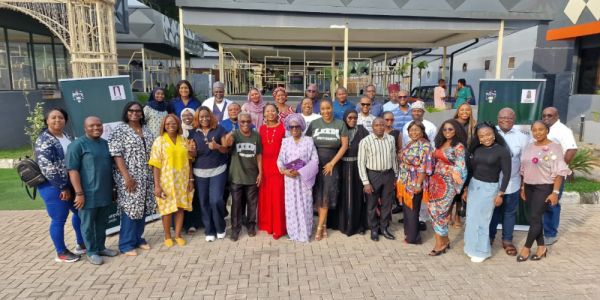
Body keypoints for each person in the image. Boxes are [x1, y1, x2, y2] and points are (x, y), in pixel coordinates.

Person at [35, 107, 85, 263]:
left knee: (79, 214)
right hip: (53, 186)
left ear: (65, 120)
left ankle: (82, 244)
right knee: (59, 218)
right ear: (47, 120)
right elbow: (46, 167)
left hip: (70, 184)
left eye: (61, 118)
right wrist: (62, 187)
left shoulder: (68, 136)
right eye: (53, 118)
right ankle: (61, 252)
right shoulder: (44, 139)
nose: (57, 120)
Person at [67, 116, 118, 265]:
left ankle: (101, 247)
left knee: (102, 223)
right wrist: (79, 193)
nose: (96, 128)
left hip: (105, 192)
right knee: (88, 225)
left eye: (99, 125)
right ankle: (91, 251)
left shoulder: (105, 144)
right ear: (85, 128)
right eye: (92, 126)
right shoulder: (78, 145)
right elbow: (73, 170)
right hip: (87, 194)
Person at [517, 121, 571, 262]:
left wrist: (555, 192)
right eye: (534, 130)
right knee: (534, 218)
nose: (537, 132)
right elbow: (524, 168)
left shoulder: (555, 147)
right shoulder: (529, 147)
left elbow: (560, 171)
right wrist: (523, 186)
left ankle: (526, 247)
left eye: (541, 129)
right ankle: (542, 247)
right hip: (529, 187)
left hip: (544, 187)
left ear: (547, 130)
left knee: (535, 218)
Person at [108, 102, 155, 256]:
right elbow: (116, 155)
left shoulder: (146, 130)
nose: (134, 113)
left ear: (141, 113)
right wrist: (127, 177)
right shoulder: (120, 130)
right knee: (130, 209)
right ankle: (126, 244)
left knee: (142, 208)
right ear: (126, 112)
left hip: (146, 176)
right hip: (129, 177)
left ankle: (137, 238)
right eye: (131, 111)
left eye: (137, 111)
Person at [463, 123, 511, 263]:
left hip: (489, 189)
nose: (486, 138)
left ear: (494, 133)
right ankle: (471, 248)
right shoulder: (476, 149)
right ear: (478, 138)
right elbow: (471, 171)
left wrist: (500, 194)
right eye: (482, 136)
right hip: (473, 186)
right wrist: (466, 188)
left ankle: (482, 251)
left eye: (488, 134)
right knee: (471, 219)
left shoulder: (502, 151)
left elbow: (507, 174)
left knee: (483, 221)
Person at [305, 99, 349, 240]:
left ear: (332, 108)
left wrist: (332, 163)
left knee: (326, 195)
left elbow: (344, 146)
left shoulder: (340, 124)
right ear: (320, 110)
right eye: (323, 109)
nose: (326, 111)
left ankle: (319, 227)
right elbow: (306, 143)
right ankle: (323, 225)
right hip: (315, 164)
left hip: (331, 165)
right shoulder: (314, 124)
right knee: (317, 195)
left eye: (328, 108)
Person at [148, 114, 194, 247]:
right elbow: (155, 164)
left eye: (173, 123)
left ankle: (178, 235)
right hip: (166, 180)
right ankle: (167, 236)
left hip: (182, 179)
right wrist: (157, 185)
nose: (171, 126)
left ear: (178, 125)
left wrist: (191, 179)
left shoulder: (184, 140)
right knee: (167, 209)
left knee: (180, 207)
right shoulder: (159, 141)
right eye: (168, 124)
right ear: (164, 126)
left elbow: (189, 161)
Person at [489, 108, 529, 256]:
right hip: (492, 183)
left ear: (514, 119)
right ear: (497, 118)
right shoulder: (491, 133)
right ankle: (489, 237)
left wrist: (524, 184)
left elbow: (525, 162)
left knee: (509, 213)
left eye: (509, 118)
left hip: (513, 183)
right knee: (492, 212)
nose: (505, 120)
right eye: (502, 117)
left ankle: (507, 240)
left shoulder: (522, 137)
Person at [189, 107, 230, 242]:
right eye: (201, 117)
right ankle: (209, 230)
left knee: (216, 200)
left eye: (207, 116)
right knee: (204, 202)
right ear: (197, 118)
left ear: (210, 116)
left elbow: (226, 150)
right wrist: (192, 151)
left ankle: (220, 227)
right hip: (200, 172)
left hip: (218, 170)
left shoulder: (219, 129)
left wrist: (217, 146)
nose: (204, 119)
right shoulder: (193, 133)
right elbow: (192, 155)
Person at [427, 119, 467, 255]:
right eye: (445, 129)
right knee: (433, 211)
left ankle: (439, 243)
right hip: (435, 182)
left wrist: (450, 171)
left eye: (450, 129)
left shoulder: (459, 146)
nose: (447, 132)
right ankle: (445, 239)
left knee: (441, 213)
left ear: (456, 130)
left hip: (448, 184)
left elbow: (460, 166)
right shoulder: (439, 143)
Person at [277, 113, 319, 242]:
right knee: (291, 206)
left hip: (304, 179)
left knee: (305, 205)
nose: (294, 129)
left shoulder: (308, 141)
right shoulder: (285, 142)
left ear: (302, 127)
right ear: (288, 128)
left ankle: (305, 233)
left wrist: (301, 171)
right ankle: (294, 233)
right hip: (290, 180)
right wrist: (285, 171)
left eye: (297, 126)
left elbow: (315, 159)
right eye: (291, 127)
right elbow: (280, 160)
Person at [327, 110, 369, 236]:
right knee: (341, 195)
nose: (353, 120)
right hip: (342, 166)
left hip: (357, 167)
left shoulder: (362, 130)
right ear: (345, 118)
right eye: (350, 117)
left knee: (356, 195)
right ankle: (340, 223)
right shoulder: (340, 129)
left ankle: (357, 224)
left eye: (355, 118)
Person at [541, 107, 578, 245]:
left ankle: (551, 234)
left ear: (557, 116)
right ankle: (543, 230)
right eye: (544, 115)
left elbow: (572, 149)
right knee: (542, 201)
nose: (546, 118)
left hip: (555, 175)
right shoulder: (544, 129)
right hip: (541, 174)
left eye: (549, 115)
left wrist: (560, 168)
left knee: (552, 203)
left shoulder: (563, 130)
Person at [358, 118, 398, 241]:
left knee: (387, 204)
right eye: (376, 125)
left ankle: (384, 228)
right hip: (373, 176)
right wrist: (366, 183)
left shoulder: (390, 139)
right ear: (373, 127)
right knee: (372, 205)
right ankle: (374, 229)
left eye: (382, 125)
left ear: (385, 125)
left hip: (388, 175)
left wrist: (396, 175)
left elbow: (394, 158)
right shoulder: (365, 141)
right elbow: (361, 163)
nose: (380, 127)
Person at [225, 112, 262, 241]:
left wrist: (260, 173)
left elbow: (259, 155)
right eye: (242, 122)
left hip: (252, 176)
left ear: (251, 122)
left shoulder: (256, 135)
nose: (246, 124)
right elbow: (226, 144)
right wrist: (230, 134)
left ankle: (251, 226)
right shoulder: (235, 134)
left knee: (252, 204)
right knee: (236, 205)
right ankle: (236, 229)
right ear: (239, 122)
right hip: (237, 176)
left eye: (248, 121)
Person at [397, 121, 433, 244]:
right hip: (405, 181)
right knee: (407, 209)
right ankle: (409, 234)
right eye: (411, 130)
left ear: (422, 131)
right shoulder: (409, 143)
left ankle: (413, 238)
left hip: (415, 181)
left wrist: (418, 184)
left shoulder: (425, 145)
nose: (414, 132)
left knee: (412, 209)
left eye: (417, 130)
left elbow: (425, 166)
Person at [257, 103, 287, 239]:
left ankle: (279, 227)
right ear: (264, 114)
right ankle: (267, 224)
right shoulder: (261, 129)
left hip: (278, 166)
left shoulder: (284, 128)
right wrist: (259, 170)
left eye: (273, 111)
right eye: (267, 111)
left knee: (278, 196)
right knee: (266, 196)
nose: (270, 113)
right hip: (265, 167)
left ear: (277, 112)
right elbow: (259, 151)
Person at [450, 102, 477, 227]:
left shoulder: (474, 125)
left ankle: (457, 216)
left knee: (462, 189)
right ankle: (448, 213)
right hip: (453, 160)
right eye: (462, 110)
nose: (465, 112)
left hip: (467, 161)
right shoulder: (451, 124)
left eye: (467, 110)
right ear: (458, 111)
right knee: (451, 189)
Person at [180, 108, 202, 233]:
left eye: (190, 115)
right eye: (184, 115)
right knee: (184, 196)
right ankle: (183, 223)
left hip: (196, 167)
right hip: (181, 169)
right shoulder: (178, 131)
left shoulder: (197, 131)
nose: (187, 117)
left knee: (195, 196)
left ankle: (195, 222)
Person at [383, 111, 403, 215]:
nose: (389, 121)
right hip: (380, 164)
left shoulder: (397, 133)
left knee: (394, 185)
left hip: (393, 163)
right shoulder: (378, 132)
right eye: (387, 119)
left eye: (391, 119)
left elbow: (400, 149)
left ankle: (398, 205)